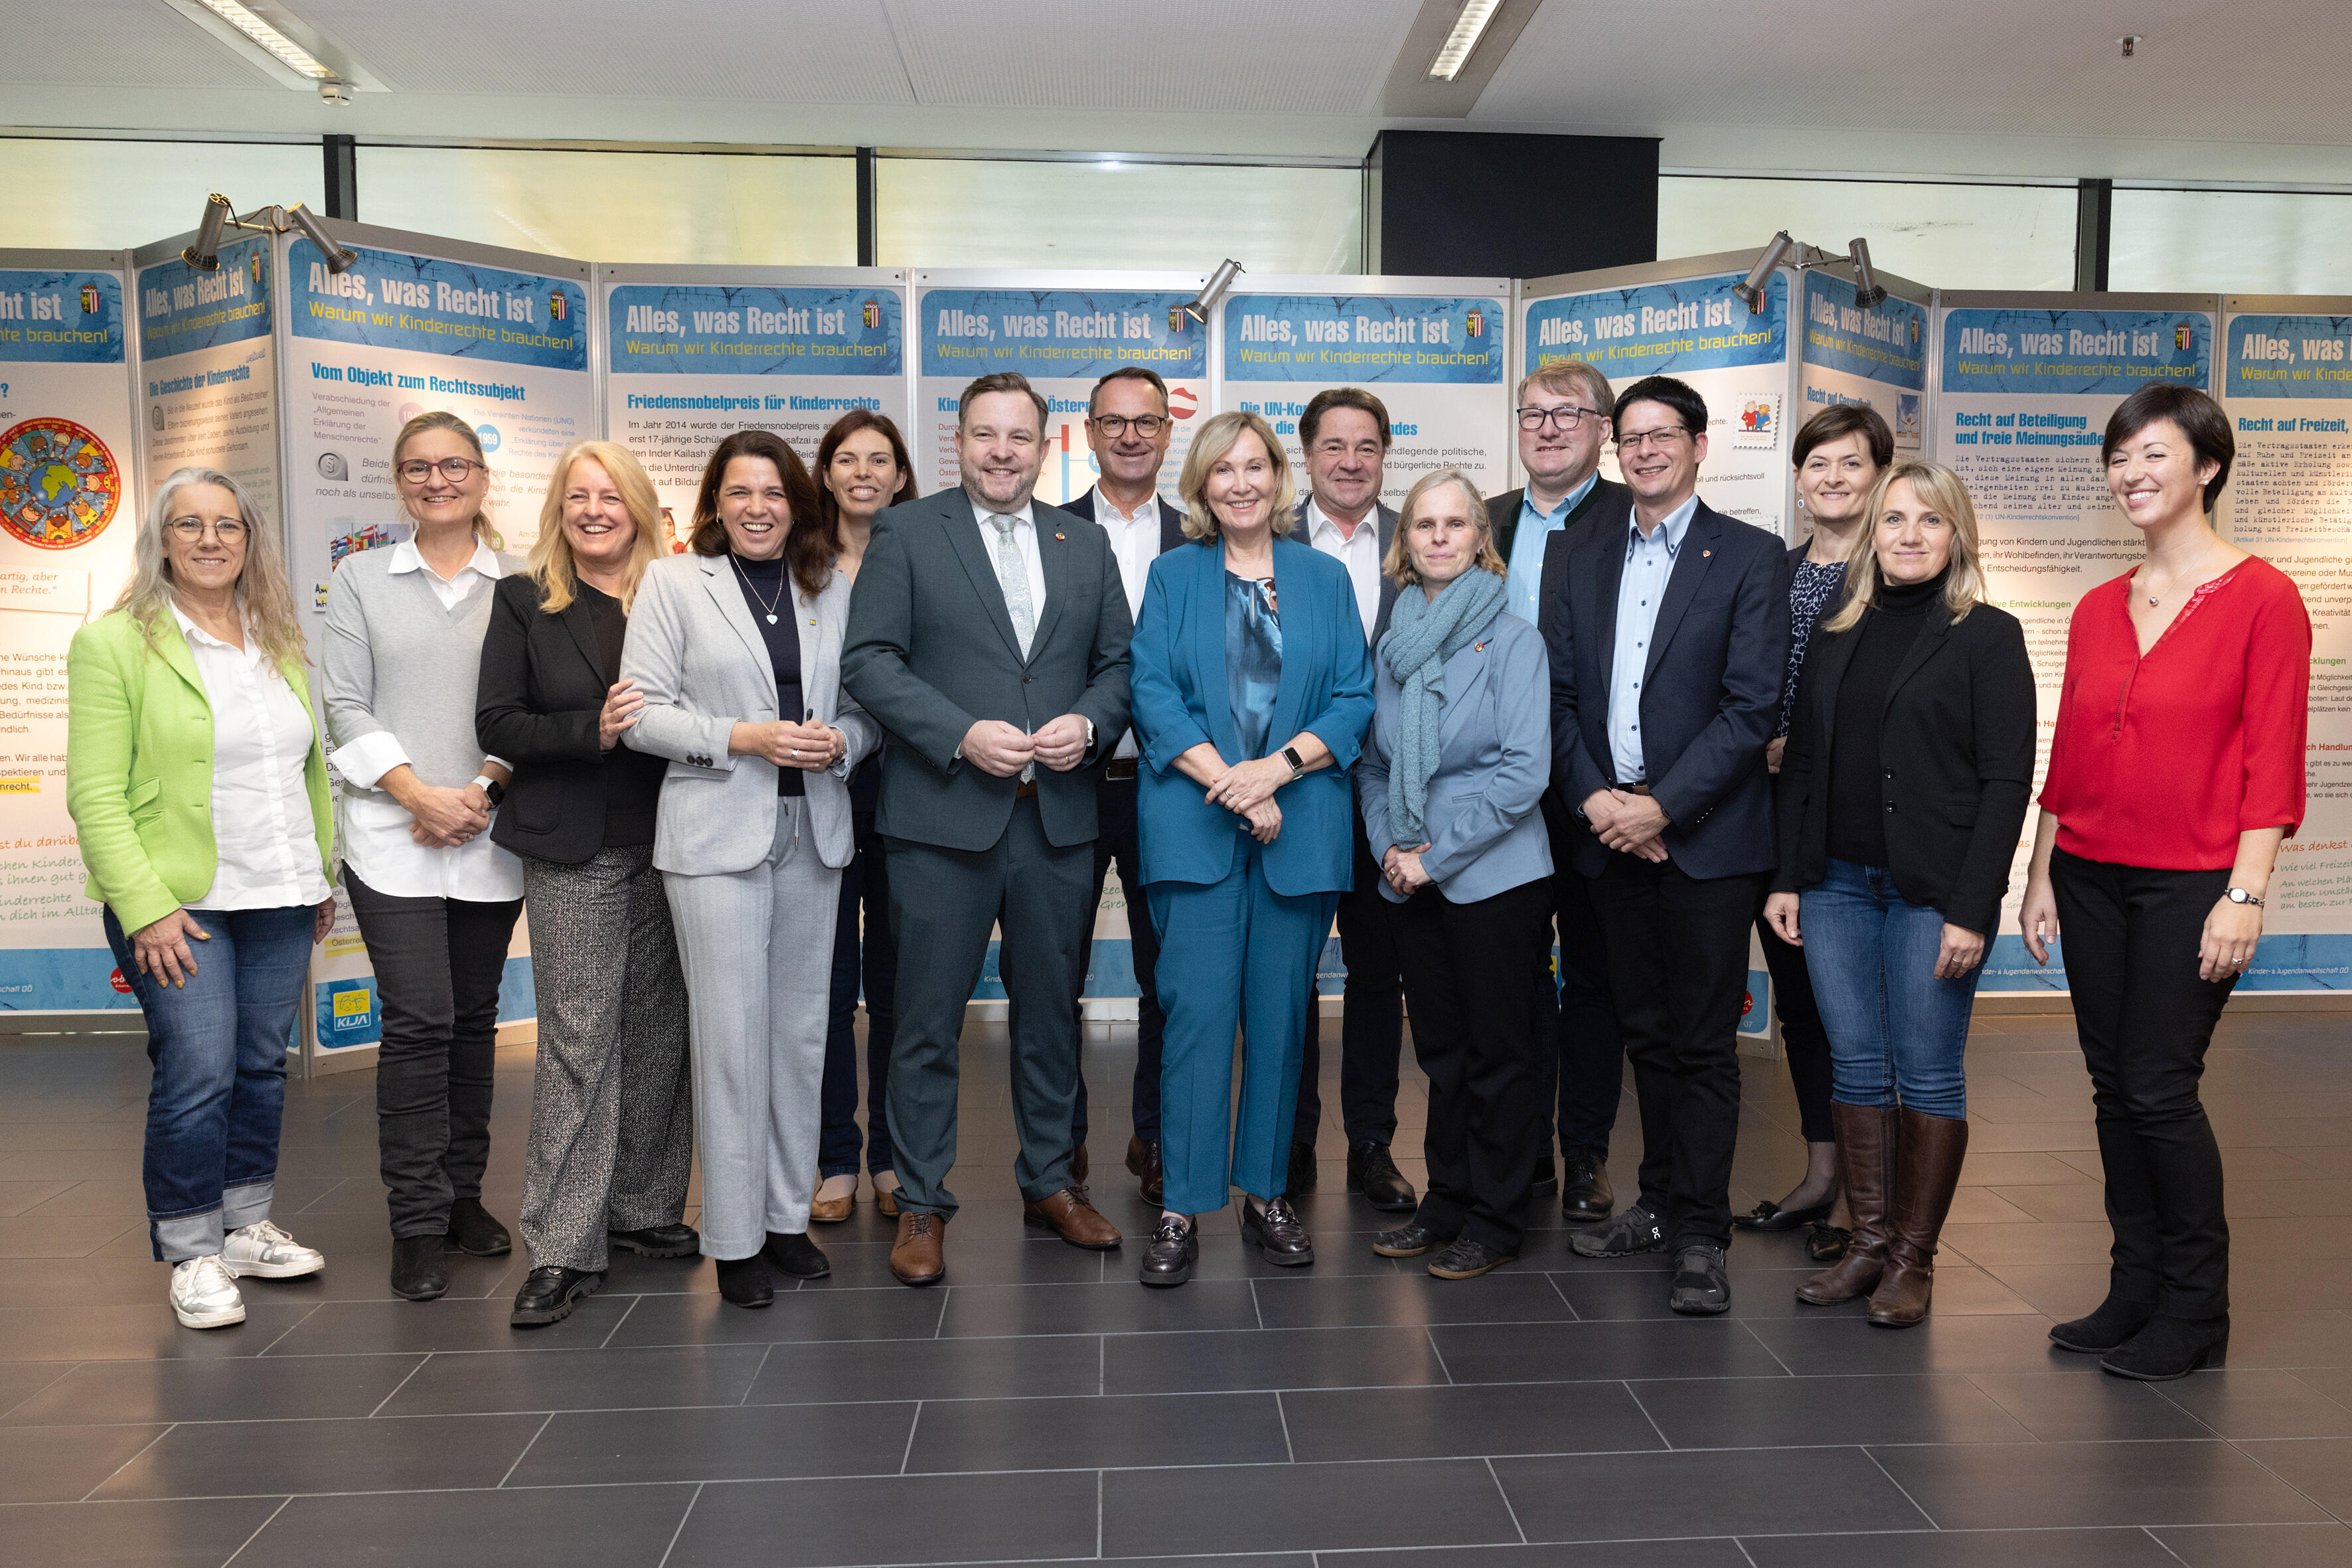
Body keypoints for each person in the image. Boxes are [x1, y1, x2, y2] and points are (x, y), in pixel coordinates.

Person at [2020, 384, 2309, 1381]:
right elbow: (2068, 752)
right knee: (2111, 1088)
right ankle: (2133, 1286)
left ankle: (2195, 1310)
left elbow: (2271, 761)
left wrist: (2245, 892)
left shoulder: (2262, 597)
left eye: (2151, 454)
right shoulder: (2101, 604)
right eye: (2117, 458)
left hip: (2193, 880)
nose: (2130, 474)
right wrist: (2039, 869)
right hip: (2089, 872)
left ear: (2206, 466)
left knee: (2155, 1085)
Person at [842, 371, 1133, 1288]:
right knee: (925, 1021)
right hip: (939, 817)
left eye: (1018, 436)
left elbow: (1119, 664)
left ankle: (1049, 1182)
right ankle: (922, 1200)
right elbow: (869, 662)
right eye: (983, 435)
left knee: (1052, 1015)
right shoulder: (906, 531)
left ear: (1046, 447)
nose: (1001, 451)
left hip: (1054, 820)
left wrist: (1088, 725)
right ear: (957, 443)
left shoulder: (1082, 544)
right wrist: (957, 733)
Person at [1764, 461, 2034, 1326]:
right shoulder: (1838, 633)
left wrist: (1972, 907)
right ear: (1869, 534)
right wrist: (1785, 877)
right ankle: (1868, 1243)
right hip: (1834, 886)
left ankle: (1913, 1258)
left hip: (1931, 893)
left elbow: (2003, 781)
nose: (1908, 534)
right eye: (1892, 520)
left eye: (1928, 519)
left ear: (1955, 534)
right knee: (1854, 1064)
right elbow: (1802, 762)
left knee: (1924, 1069)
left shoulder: (1985, 636)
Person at [1542, 374, 1788, 1316]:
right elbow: (1558, 695)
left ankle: (1699, 1232)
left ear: (1696, 445)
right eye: (1629, 438)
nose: (1643, 451)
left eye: (1661, 435)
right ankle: (1653, 1199)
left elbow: (1748, 704)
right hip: (1608, 834)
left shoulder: (1749, 556)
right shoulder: (1578, 550)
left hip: (1704, 842)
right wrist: (1601, 801)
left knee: (1699, 1043)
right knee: (1639, 1029)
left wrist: (1662, 808)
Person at [67, 469, 335, 1329]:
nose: (211, 539)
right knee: (196, 1072)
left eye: (228, 525)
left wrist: (317, 873)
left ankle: (245, 1224)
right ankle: (191, 1251)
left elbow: (306, 770)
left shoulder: (277, 636)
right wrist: (142, 905)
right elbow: (95, 794)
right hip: (179, 903)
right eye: (191, 524)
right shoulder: (116, 644)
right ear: (162, 541)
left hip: (281, 893)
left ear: (250, 539)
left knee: (260, 1066)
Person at [619, 429, 877, 1308]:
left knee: (802, 1036)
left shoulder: (832, 587)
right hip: (713, 835)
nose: (758, 508)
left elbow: (865, 709)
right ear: (715, 504)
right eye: (740, 492)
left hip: (817, 833)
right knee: (730, 1040)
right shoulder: (671, 583)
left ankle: (782, 1220)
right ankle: (732, 1240)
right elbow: (641, 715)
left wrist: (845, 739)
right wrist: (743, 737)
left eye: (773, 492)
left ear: (797, 502)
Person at [1130, 411, 1374, 1287]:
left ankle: (1266, 1193)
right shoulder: (1170, 575)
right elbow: (1152, 694)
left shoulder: (1322, 577)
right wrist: (1232, 783)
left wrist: (1272, 772)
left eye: (1254, 467)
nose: (1239, 482)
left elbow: (1350, 696)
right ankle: (1178, 1206)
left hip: (1298, 825)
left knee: (1279, 1021)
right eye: (1221, 470)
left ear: (1278, 477)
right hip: (1193, 826)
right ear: (1199, 485)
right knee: (1193, 1017)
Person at [476, 441, 696, 1327]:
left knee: (658, 1031)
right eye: (579, 496)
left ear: (639, 507)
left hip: (676, 838)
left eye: (611, 496)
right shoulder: (525, 599)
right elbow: (496, 720)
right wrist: (590, 728)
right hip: (574, 844)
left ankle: (642, 1208)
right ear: (558, 510)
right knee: (576, 1037)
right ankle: (564, 1243)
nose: (595, 510)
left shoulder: (679, 591)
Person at [323, 411, 524, 1304]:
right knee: (418, 1019)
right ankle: (413, 1221)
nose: (436, 480)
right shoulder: (361, 576)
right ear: (398, 481)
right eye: (417, 468)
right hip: (390, 834)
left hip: (488, 827)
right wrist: (416, 792)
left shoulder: (523, 582)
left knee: (474, 1016)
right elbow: (342, 703)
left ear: (481, 477)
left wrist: (477, 790)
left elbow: (543, 701)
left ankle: (462, 1201)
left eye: (453, 465)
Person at [1360, 469, 1552, 1280]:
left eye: (1454, 524)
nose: (1438, 537)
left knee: (1501, 1052)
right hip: (1409, 872)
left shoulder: (1514, 640)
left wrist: (1432, 857)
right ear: (1406, 542)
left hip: (1494, 875)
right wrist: (1388, 850)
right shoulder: (1395, 642)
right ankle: (1446, 1201)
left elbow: (1523, 773)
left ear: (1482, 537)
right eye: (1422, 525)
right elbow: (1373, 765)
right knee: (1441, 1053)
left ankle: (1498, 1217)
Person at [1737, 402, 1892, 1263]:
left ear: (1878, 474)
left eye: (1849, 464)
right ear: (1795, 480)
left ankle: (1869, 1197)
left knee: (1853, 1015)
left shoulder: (1898, 571)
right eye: (1816, 464)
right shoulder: (1775, 568)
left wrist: (1809, 748)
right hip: (1767, 815)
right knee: (1798, 1006)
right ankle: (1821, 1171)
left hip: (1851, 826)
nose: (1830, 478)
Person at [1492, 358, 1626, 1221]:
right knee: (1508, 978)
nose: (1546, 427)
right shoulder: (1485, 521)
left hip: (1592, 789)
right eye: (1532, 412)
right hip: (1498, 788)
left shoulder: (1631, 520)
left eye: (1566, 413)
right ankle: (1519, 1149)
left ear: (1603, 429)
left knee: (1593, 976)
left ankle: (1582, 1153)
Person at [1063, 366, 1190, 1206]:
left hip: (1174, 786)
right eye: (1115, 422)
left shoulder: (1206, 534)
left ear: (1169, 434)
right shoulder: (1047, 530)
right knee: (1052, 972)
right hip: (1070, 783)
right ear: (1088, 432)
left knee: (1167, 978)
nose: (1132, 436)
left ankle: (1155, 1138)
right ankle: (1058, 1151)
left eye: (1148, 422)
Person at [1290, 386, 1413, 1212]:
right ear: (1306, 456)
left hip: (1389, 798)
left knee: (1378, 975)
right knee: (1286, 977)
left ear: (1384, 455)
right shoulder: (1259, 538)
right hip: (1291, 792)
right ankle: (1289, 1141)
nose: (1349, 461)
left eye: (1365, 446)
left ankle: (1371, 1145)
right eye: (1333, 446)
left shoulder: (1424, 540)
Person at [810, 411, 918, 1223]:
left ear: (903, 476)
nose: (864, 473)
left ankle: (889, 1154)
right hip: (814, 789)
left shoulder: (925, 554)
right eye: (847, 459)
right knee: (825, 987)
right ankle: (834, 1157)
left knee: (894, 987)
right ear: (825, 474)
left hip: (908, 792)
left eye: (880, 460)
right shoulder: (797, 563)